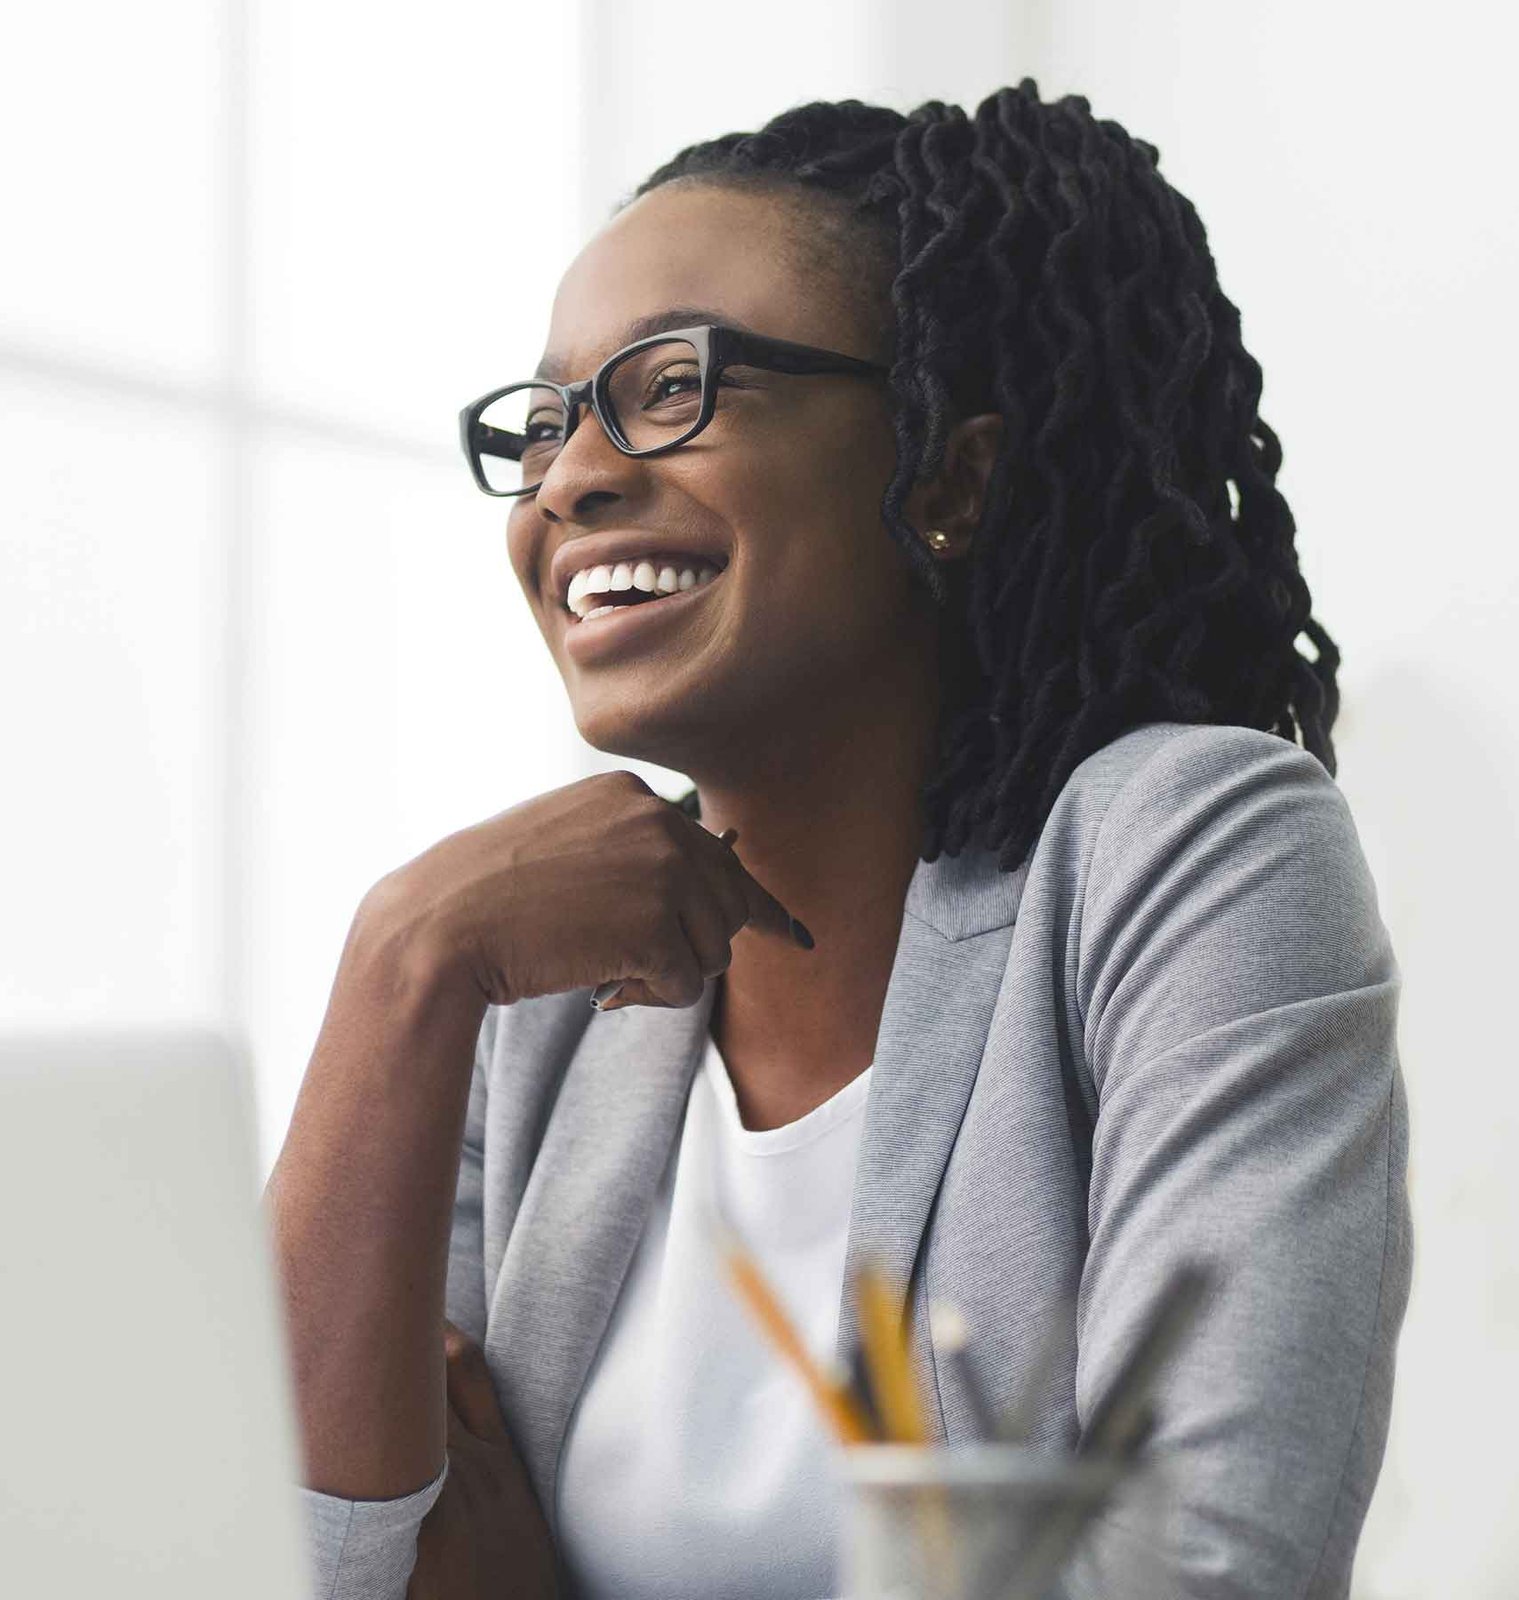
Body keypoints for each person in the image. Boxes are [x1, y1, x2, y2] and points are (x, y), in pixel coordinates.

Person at [264, 78, 1411, 1600]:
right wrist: (399, 959)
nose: (577, 477)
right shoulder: (531, 989)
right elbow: (283, 1564)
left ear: (949, 474)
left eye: (673, 385)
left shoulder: (1192, 854)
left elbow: (1204, 1574)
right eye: (543, 425)